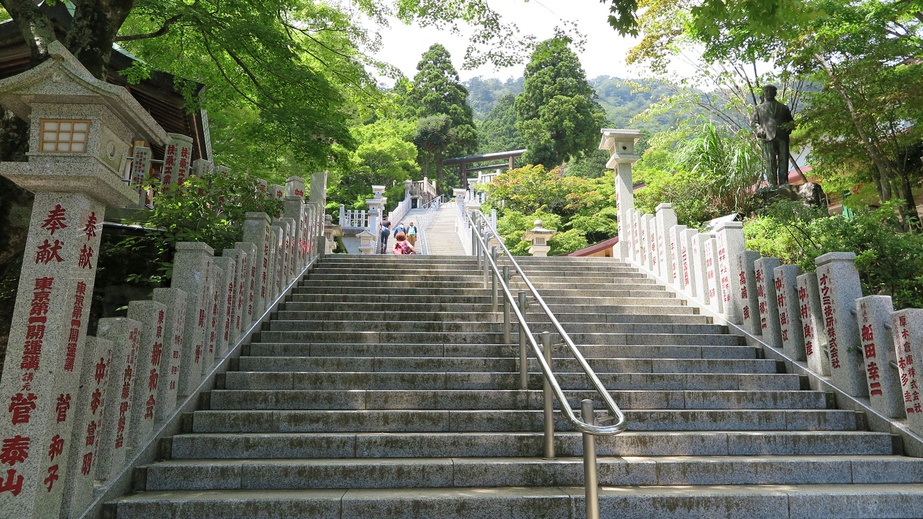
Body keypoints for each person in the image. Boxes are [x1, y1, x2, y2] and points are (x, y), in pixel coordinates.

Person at [750, 84, 794, 187]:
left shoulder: (783, 108)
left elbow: (791, 122)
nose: (768, 93)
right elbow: (754, 122)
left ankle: (784, 182)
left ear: (775, 93)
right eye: (766, 91)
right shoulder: (758, 109)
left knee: (783, 159)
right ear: (764, 94)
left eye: (771, 91)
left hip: (782, 136)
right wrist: (759, 130)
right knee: (770, 160)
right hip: (767, 137)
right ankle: (772, 183)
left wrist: (788, 130)